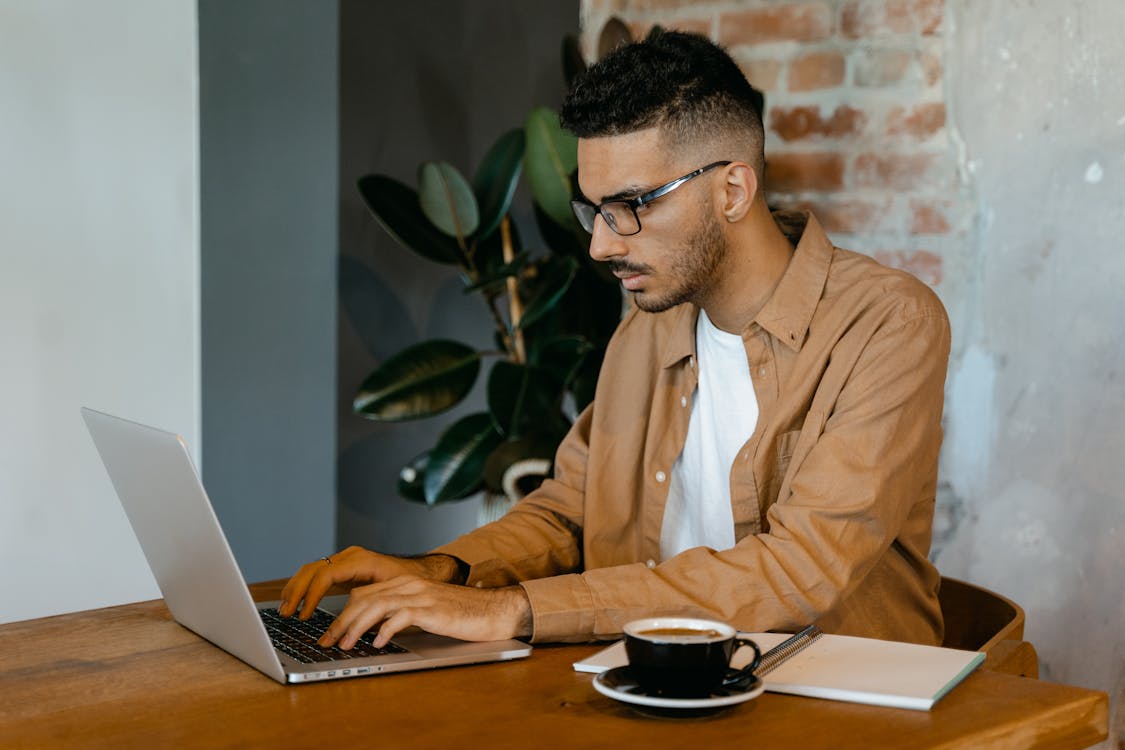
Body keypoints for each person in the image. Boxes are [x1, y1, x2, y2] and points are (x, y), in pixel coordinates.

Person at [279, 29, 950, 650]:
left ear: (733, 190)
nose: (601, 244)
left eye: (631, 206)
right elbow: (571, 509)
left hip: (833, 700)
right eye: (594, 210)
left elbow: (799, 570)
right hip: (652, 682)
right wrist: (436, 570)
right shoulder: (650, 326)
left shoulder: (887, 324)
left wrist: (508, 610)